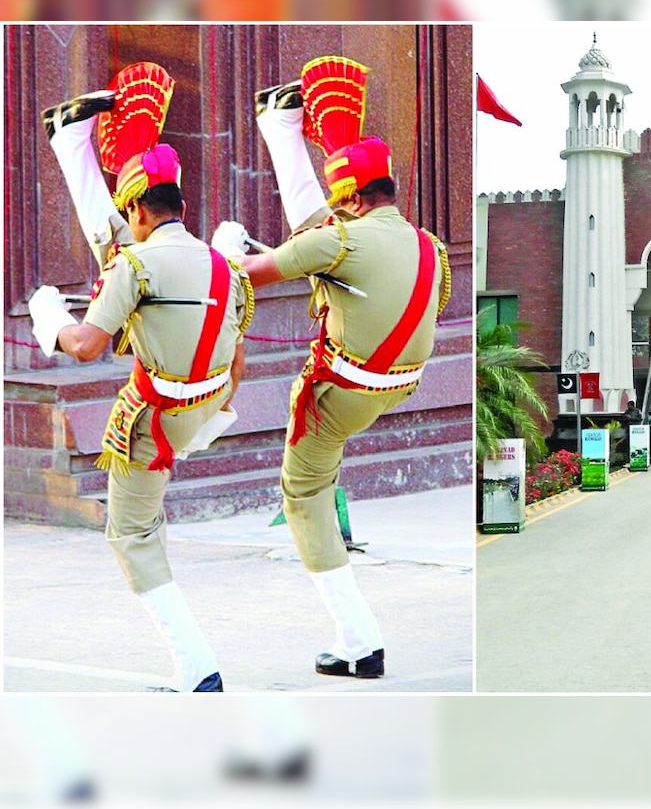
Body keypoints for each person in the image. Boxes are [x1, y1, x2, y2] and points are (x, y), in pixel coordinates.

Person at [213, 56, 450, 679]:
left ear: (347, 197)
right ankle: (280, 125)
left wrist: (224, 249)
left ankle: (358, 642)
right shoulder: (432, 246)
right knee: (321, 245)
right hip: (400, 386)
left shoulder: (338, 238)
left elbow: (241, 276)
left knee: (304, 494)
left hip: (337, 392)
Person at [31, 63, 252, 692]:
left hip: (150, 420)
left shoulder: (133, 263)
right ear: (182, 205)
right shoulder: (223, 267)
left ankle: (196, 666)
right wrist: (206, 411)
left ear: (140, 211)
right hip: (203, 405)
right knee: (122, 259)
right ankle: (69, 139)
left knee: (130, 533)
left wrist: (49, 314)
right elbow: (237, 362)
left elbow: (85, 347)